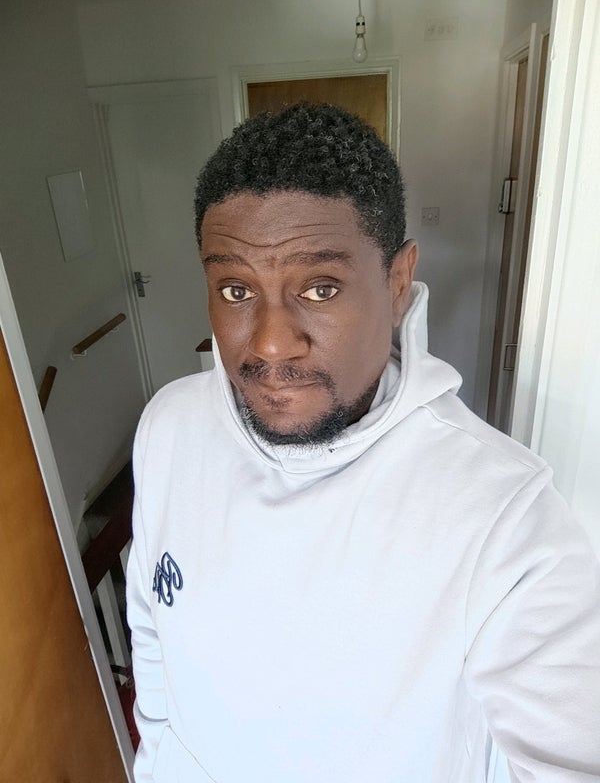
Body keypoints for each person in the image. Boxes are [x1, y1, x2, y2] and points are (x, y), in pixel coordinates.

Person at [127, 103, 600, 783]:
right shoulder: (169, 426)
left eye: (321, 289)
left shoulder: (507, 517)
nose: (271, 343)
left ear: (398, 283)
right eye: (236, 289)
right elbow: (152, 632)